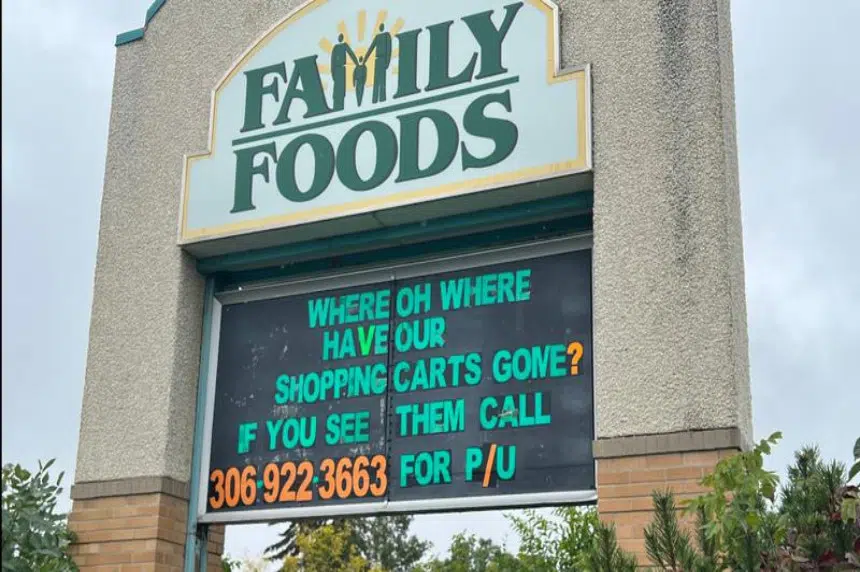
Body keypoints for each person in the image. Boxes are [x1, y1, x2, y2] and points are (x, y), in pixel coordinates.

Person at [330, 33, 358, 111]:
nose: (340, 38)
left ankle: (340, 106)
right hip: (337, 69)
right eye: (339, 37)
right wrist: (333, 73)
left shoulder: (344, 45)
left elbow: (351, 54)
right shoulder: (335, 47)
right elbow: (332, 61)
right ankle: (336, 106)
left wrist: (357, 64)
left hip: (342, 69)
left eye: (341, 37)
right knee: (337, 90)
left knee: (341, 88)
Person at [366, 23, 392, 103]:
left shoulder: (387, 35)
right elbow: (371, 48)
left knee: (382, 80)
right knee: (376, 79)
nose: (381, 27)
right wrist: (365, 59)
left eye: (382, 26)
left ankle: (382, 98)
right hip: (377, 59)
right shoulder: (377, 37)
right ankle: (374, 99)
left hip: (383, 59)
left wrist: (387, 62)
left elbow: (389, 49)